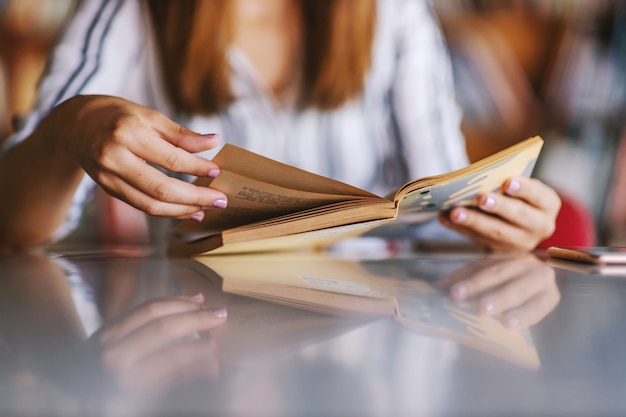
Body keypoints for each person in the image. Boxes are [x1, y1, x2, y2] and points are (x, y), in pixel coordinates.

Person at [0, 0, 560, 253]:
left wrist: (503, 228)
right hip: (189, 331)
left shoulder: (395, 12)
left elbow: (437, 211)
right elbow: (16, 226)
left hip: (366, 335)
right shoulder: (128, 10)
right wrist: (65, 128)